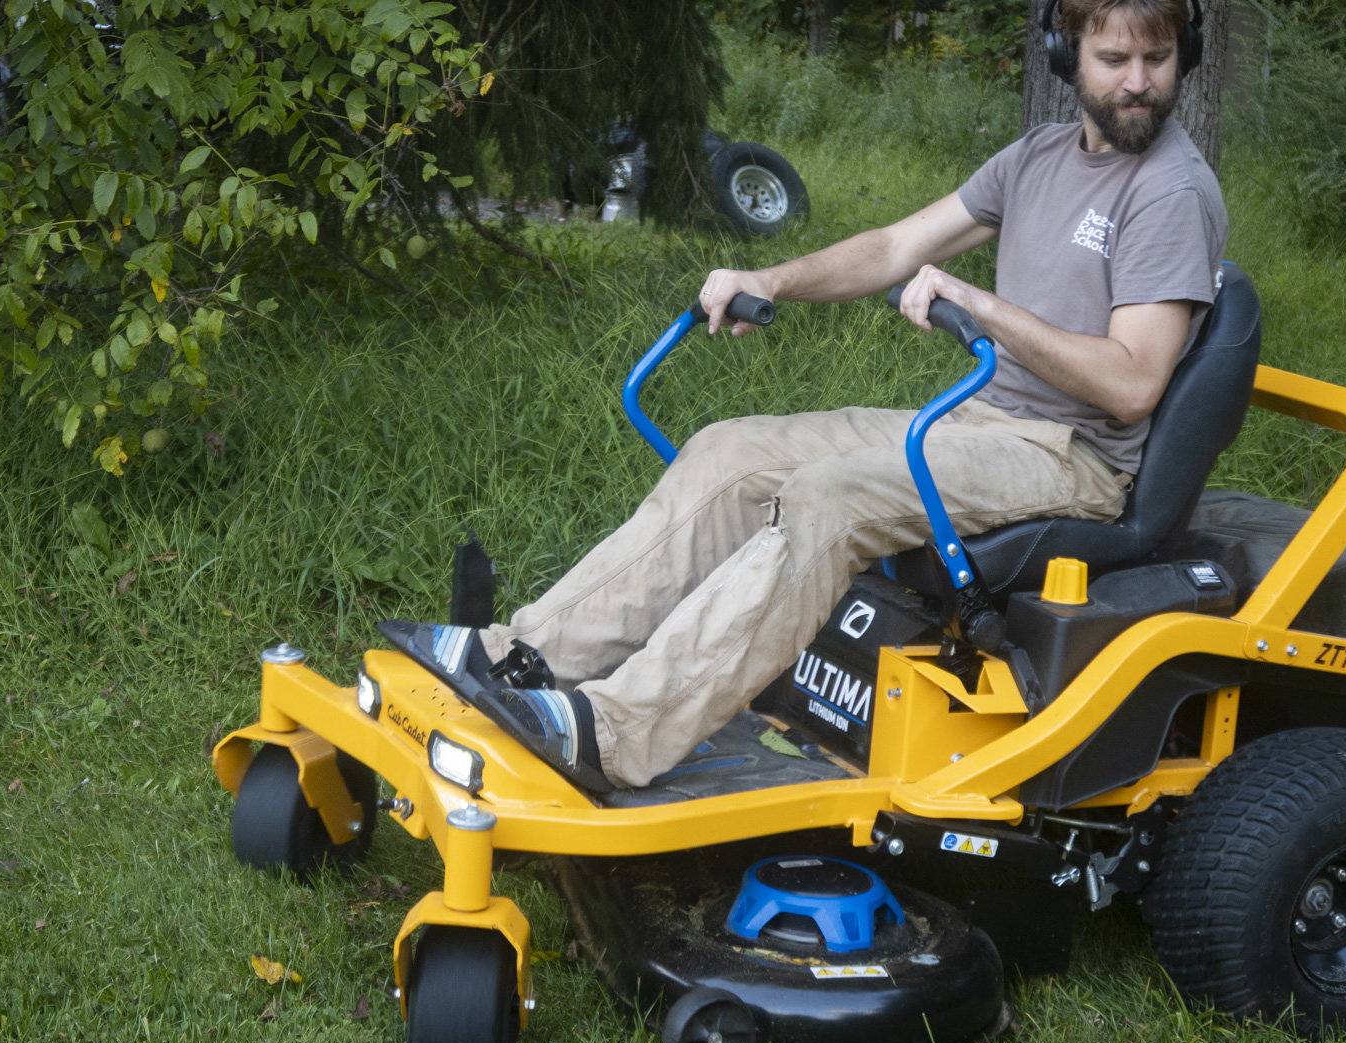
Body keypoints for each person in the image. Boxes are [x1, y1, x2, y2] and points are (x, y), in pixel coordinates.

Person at [382, 0, 1227, 792]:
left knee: (830, 495)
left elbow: (1131, 383)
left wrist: (981, 306)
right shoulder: (1039, 157)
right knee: (731, 451)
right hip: (983, 423)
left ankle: (615, 732)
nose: (1138, 81)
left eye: (1156, 58)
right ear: (1064, 54)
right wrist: (769, 277)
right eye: (1114, 57)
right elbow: (895, 245)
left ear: (1181, 55)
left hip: (1067, 458)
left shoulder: (1169, 192)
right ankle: (519, 658)